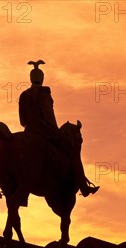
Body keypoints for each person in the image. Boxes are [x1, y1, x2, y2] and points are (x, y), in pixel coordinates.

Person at [18, 60, 99, 197]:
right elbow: (48, 112)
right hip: (45, 130)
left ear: (31, 79)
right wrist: (55, 130)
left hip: (29, 130)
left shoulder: (24, 95)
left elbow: (22, 120)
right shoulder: (44, 92)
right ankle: (84, 187)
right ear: (41, 79)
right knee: (73, 152)